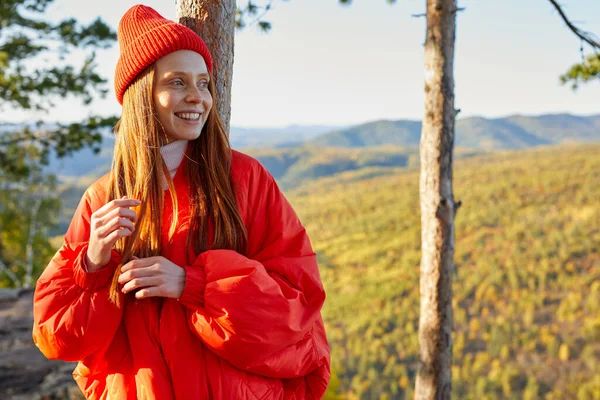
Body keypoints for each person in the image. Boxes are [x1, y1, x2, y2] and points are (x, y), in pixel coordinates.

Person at [32, 4, 330, 399]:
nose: (197, 98)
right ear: (142, 94)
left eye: (204, 83)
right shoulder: (103, 199)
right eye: (177, 83)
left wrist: (194, 285)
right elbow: (58, 339)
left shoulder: (243, 180)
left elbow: (298, 304)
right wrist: (92, 263)